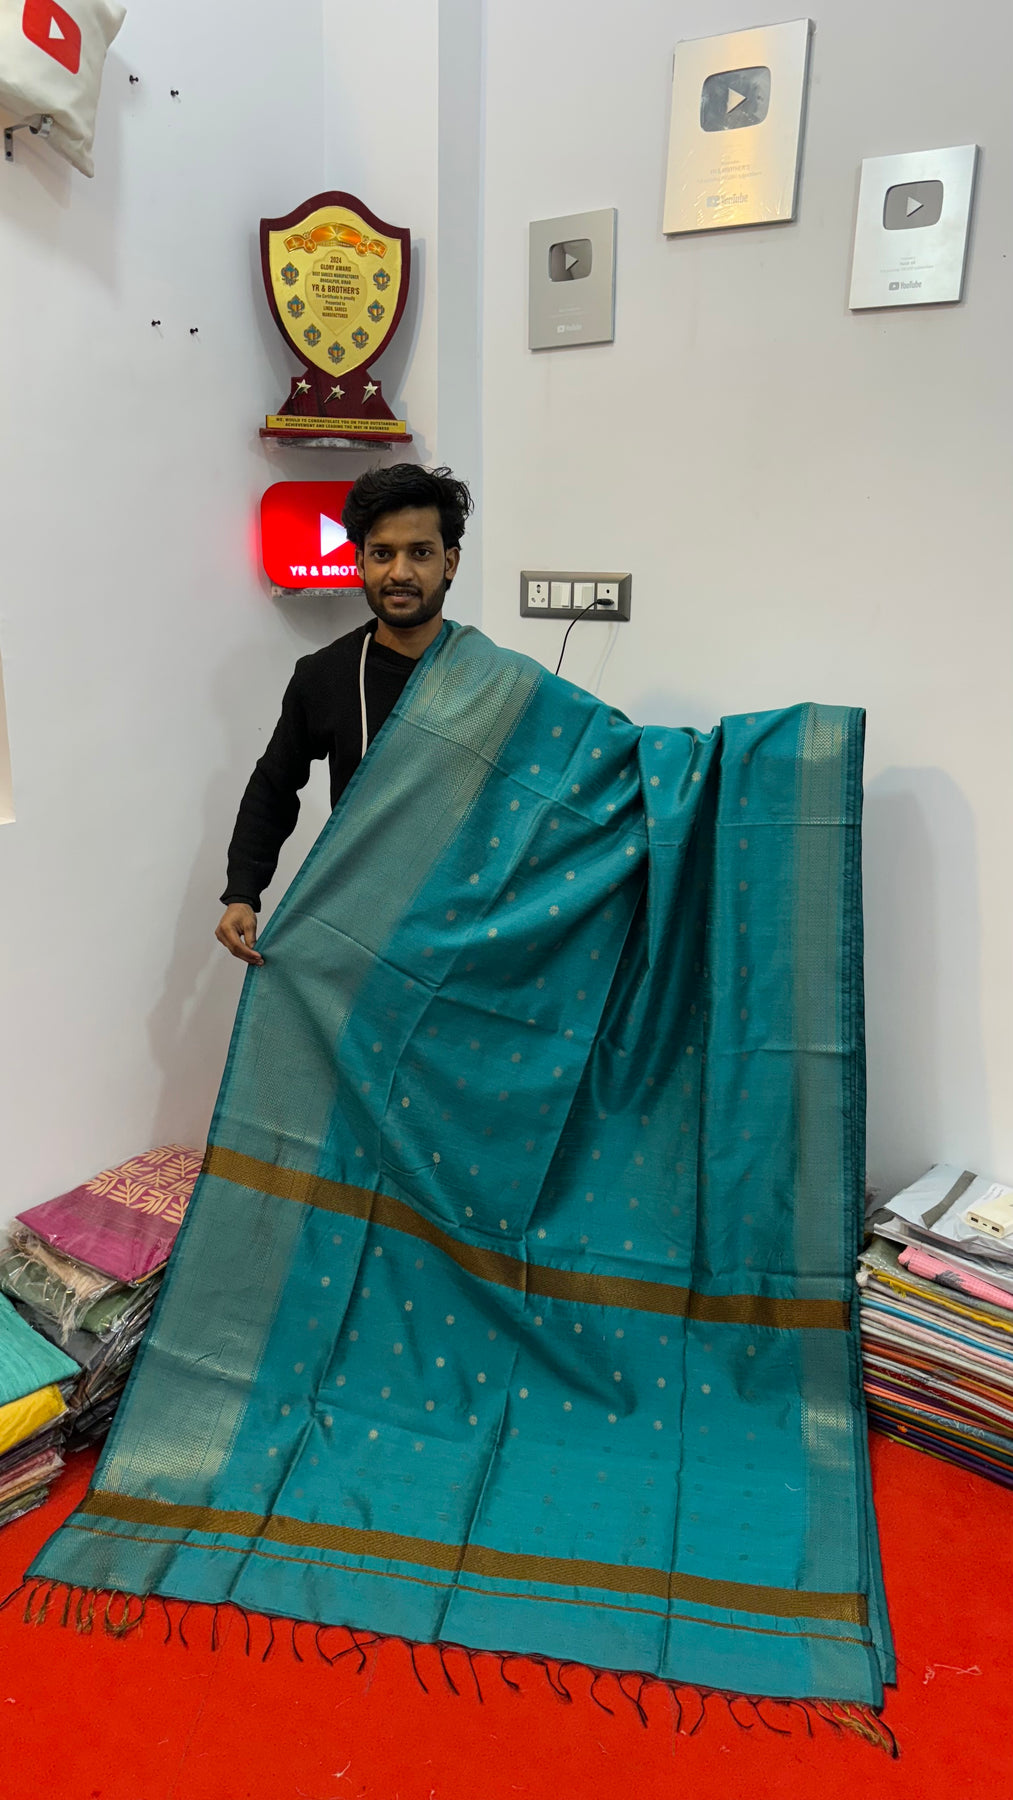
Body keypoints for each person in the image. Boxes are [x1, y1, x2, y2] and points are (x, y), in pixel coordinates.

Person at [215, 463, 473, 965]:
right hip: (362, 927)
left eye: (420, 552)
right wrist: (242, 892)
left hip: (468, 927)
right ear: (359, 561)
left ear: (450, 562)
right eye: (382, 553)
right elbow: (274, 785)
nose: (400, 572)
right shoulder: (326, 676)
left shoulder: (492, 678)